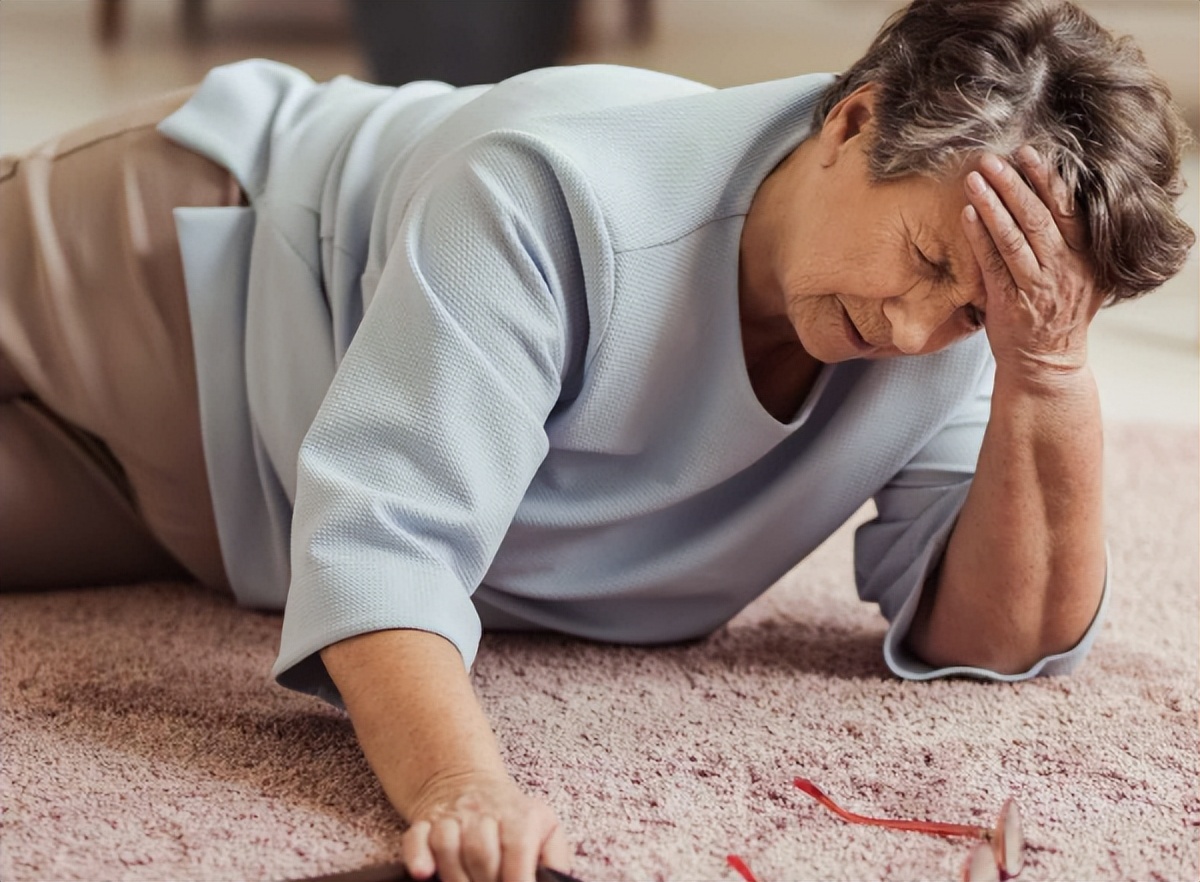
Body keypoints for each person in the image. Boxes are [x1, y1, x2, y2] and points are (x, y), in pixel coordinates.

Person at [0, 0, 1193, 879]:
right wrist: (465, 787)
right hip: (159, 275)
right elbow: (383, 542)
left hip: (225, 505)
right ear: (854, 119)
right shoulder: (548, 190)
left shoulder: (969, 325)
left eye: (975, 311)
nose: (913, 326)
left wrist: (1046, 371)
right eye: (929, 261)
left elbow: (994, 637)